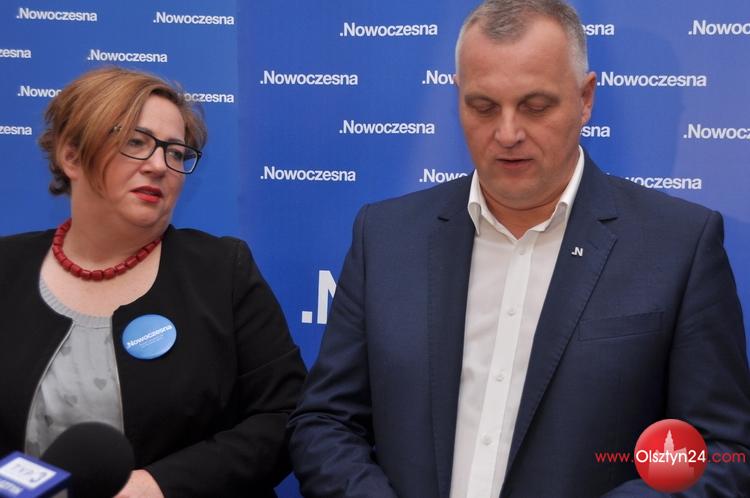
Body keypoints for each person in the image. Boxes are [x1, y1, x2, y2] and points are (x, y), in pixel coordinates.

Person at [287, 1, 750, 497]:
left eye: (535, 106)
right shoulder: (385, 236)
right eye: (483, 107)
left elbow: (719, 450)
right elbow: (325, 422)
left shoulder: (679, 245)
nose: (507, 134)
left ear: (585, 98)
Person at [0, 66, 307, 497]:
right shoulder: (7, 267)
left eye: (177, 153)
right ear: (72, 156)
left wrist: (159, 486)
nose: (161, 166)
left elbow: (285, 416)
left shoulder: (222, 272)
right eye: (136, 142)